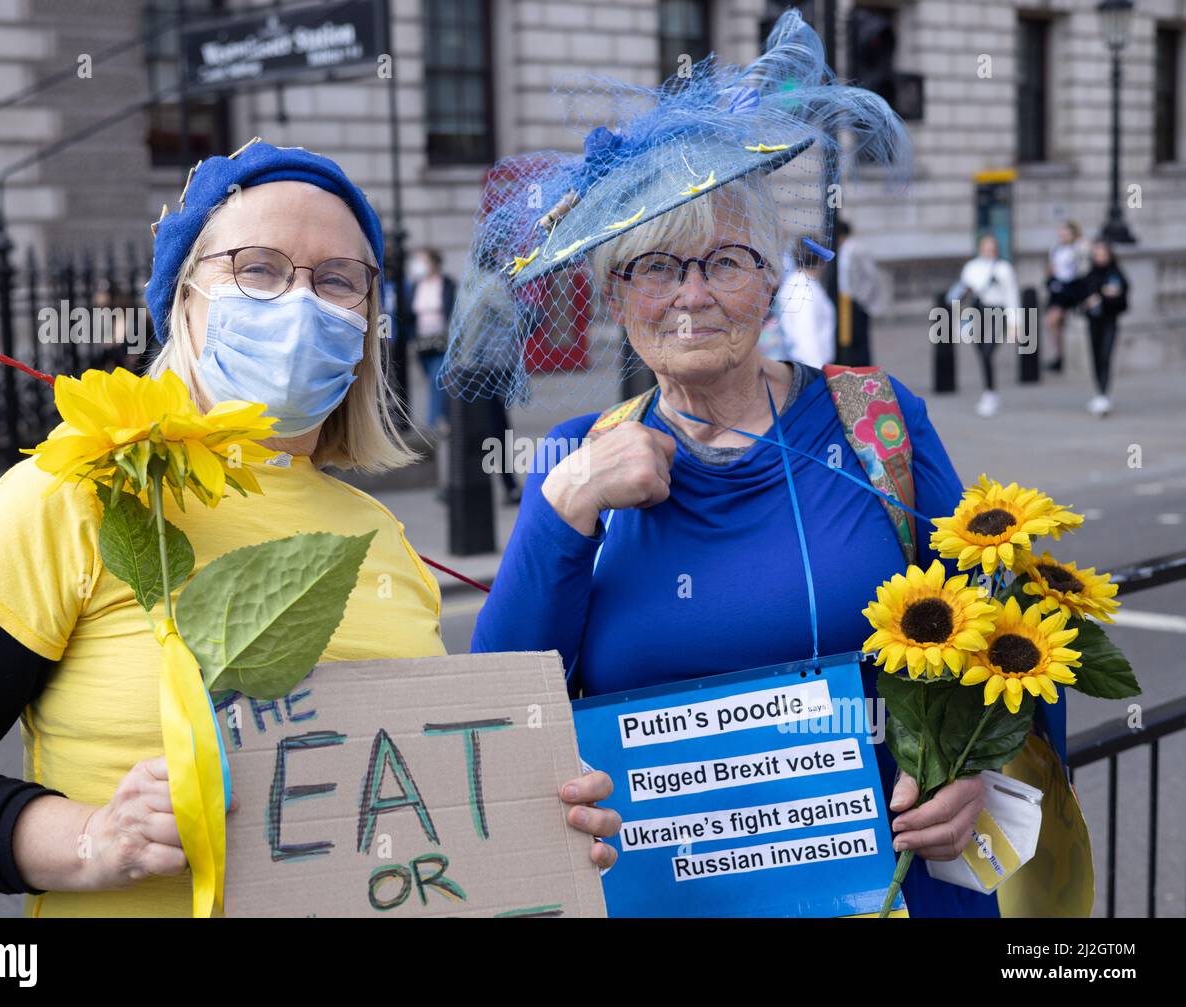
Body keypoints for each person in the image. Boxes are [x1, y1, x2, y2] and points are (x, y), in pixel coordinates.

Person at [0, 140, 619, 917]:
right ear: (185, 300)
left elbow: (414, 815)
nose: (300, 302)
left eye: (337, 279)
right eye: (258, 268)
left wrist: (538, 823)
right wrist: (90, 839)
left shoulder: (383, 539)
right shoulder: (76, 492)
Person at [456, 11, 1073, 917]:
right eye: (656, 266)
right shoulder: (575, 458)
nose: (693, 295)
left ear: (775, 276)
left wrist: (976, 773)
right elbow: (503, 713)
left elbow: (1008, 634)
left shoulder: (877, 421)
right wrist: (569, 502)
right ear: (616, 294)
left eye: (727, 261)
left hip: (897, 893)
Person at [954, 233, 1019, 419]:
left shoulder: (1004, 268)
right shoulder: (971, 268)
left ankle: (990, 393)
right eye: (986, 247)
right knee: (981, 351)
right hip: (976, 312)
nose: (989, 251)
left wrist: (1015, 322)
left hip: (997, 312)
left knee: (988, 351)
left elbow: (1012, 296)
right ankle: (990, 391)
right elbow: (962, 293)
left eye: (992, 247)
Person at [404, 248, 454, 431]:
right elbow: (409, 314)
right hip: (422, 342)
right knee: (435, 382)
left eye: (422, 261)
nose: (418, 265)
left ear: (433, 263)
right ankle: (448, 417)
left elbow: (452, 310)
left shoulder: (446, 283)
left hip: (441, 341)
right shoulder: (415, 285)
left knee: (437, 379)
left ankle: (432, 425)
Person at [1079, 238, 1130, 417]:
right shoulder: (1090, 275)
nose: (1100, 257)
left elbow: (1122, 298)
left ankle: (1103, 394)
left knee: (1106, 356)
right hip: (1093, 321)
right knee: (1095, 357)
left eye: (1103, 254)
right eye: (1097, 254)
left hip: (1109, 320)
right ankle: (1099, 392)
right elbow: (1080, 297)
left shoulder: (1115, 274)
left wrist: (1102, 296)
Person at [775, 236, 836, 369]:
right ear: (820, 260)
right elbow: (806, 337)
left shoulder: (800, 283)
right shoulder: (803, 290)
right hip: (810, 369)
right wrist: (819, 375)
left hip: (803, 366)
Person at [836, 218, 884, 366]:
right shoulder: (840, 251)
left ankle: (863, 369)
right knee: (846, 339)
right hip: (842, 300)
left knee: (859, 339)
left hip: (855, 300)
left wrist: (861, 300)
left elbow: (872, 276)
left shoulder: (857, 249)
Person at [1043, 220, 1087, 373]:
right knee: (1054, 324)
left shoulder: (1077, 248)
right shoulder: (1056, 249)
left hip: (1071, 288)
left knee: (1052, 320)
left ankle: (1060, 356)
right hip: (1057, 287)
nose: (1062, 235)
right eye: (1061, 232)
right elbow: (1051, 268)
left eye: (1066, 232)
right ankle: (1059, 355)